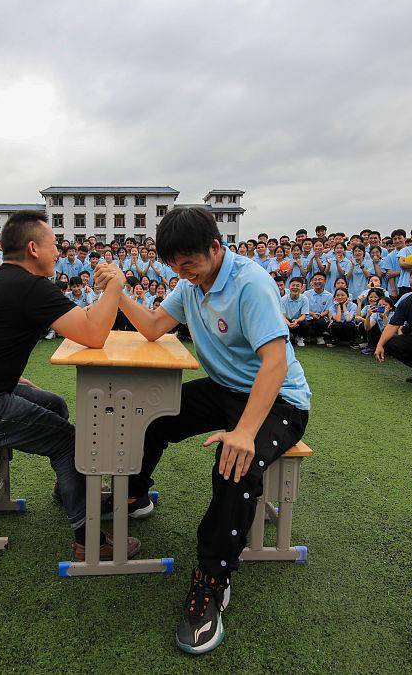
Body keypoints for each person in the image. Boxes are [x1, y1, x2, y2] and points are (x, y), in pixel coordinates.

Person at [109, 207, 310, 654]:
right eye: (176, 267)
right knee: (153, 416)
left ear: (215, 248)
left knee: (234, 465)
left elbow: (275, 364)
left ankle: (211, 582)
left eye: (190, 264)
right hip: (226, 390)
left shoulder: (250, 283)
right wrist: (119, 292)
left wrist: (243, 432)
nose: (184, 275)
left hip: (280, 400)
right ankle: (136, 493)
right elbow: (153, 327)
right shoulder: (190, 284)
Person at [0, 210, 138, 563]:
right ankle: (88, 541)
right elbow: (93, 334)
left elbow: (78, 319)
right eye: (54, 244)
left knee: (54, 405)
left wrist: (9, 379)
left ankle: (70, 492)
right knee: (68, 440)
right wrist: (116, 286)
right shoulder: (29, 286)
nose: (58, 252)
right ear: (33, 249)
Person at [300, 272, 332, 344]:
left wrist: (320, 315)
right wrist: (312, 314)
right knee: (303, 323)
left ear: (325, 281)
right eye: (315, 280)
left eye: (320, 279)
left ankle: (319, 336)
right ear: (312, 281)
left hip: (320, 318)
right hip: (308, 318)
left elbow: (328, 310)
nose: (317, 281)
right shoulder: (306, 293)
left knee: (320, 322)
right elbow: (303, 307)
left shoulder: (329, 295)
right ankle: (305, 337)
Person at [281, 277, 309, 347]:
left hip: (298, 321)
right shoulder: (283, 299)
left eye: (298, 285)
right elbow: (282, 315)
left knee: (305, 323)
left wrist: (297, 321)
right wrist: (289, 323)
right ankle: (289, 336)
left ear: (302, 287)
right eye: (293, 285)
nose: (295, 287)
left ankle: (300, 337)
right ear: (289, 287)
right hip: (287, 320)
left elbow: (303, 315)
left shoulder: (304, 299)